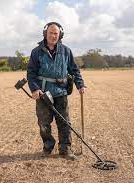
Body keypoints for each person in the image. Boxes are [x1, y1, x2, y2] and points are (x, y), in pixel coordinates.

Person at [27, 22, 85, 160]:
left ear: (60, 35)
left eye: (56, 33)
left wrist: (80, 84)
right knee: (43, 124)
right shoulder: (36, 52)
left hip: (61, 92)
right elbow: (31, 73)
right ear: (45, 34)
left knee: (64, 122)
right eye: (51, 33)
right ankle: (48, 146)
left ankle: (65, 149)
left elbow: (74, 70)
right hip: (43, 93)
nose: (53, 36)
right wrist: (35, 88)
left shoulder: (66, 51)